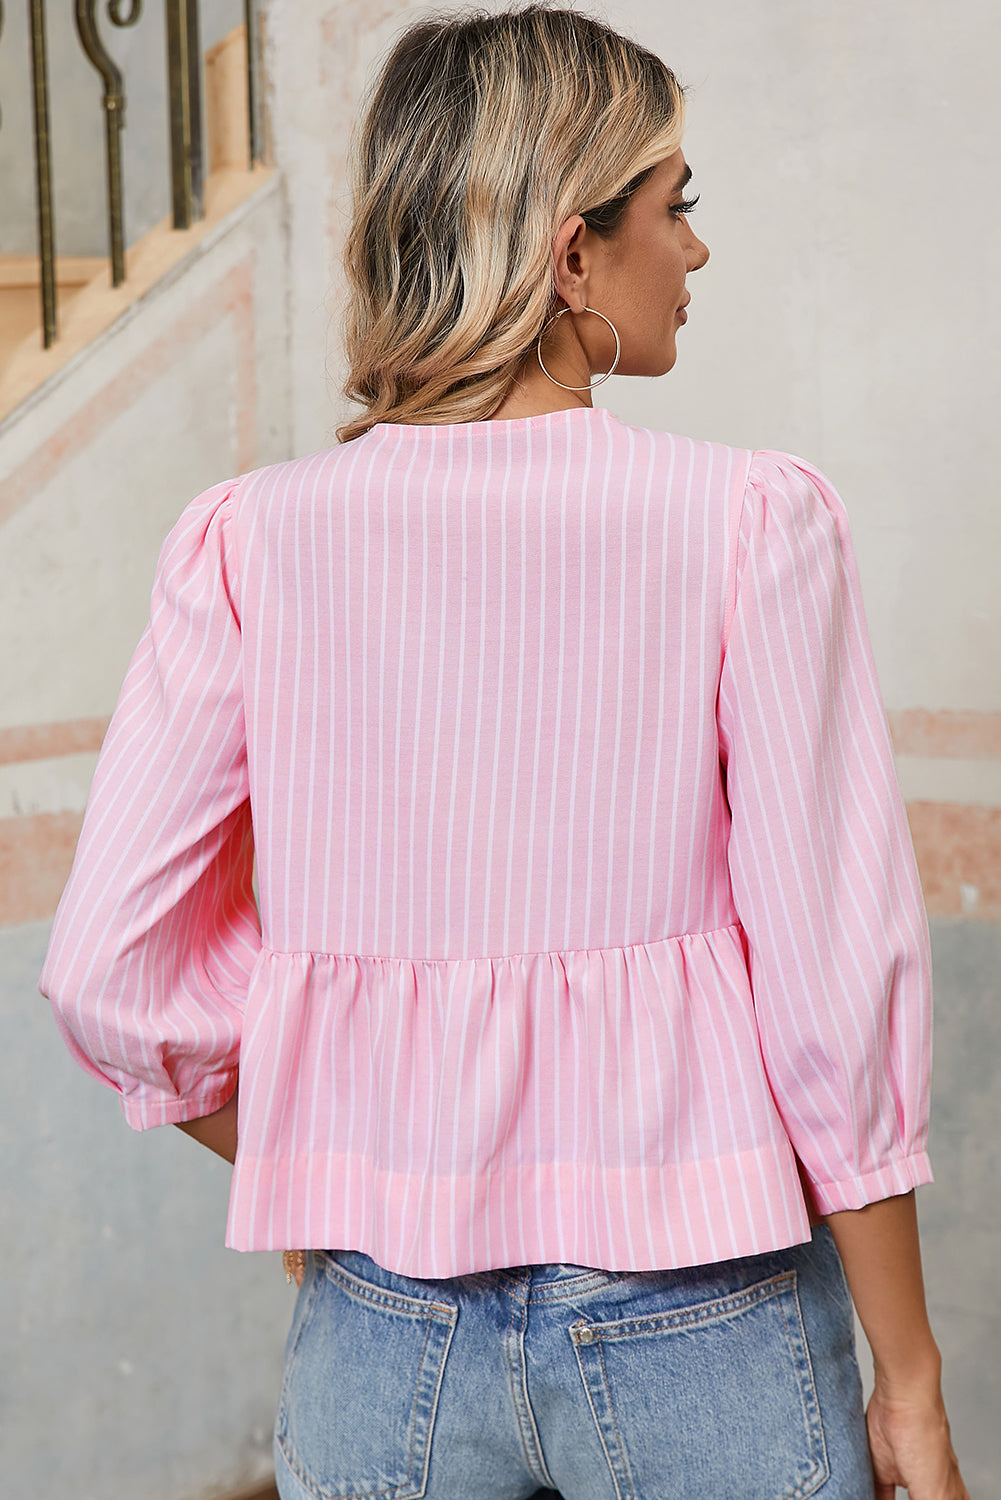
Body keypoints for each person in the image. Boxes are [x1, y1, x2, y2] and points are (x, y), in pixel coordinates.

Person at [39, 4, 969, 1498]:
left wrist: (334, 1159)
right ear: (569, 253)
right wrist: (911, 1384)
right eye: (676, 204)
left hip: (379, 1330)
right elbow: (831, 985)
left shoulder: (246, 544)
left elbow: (109, 974)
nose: (698, 249)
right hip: (702, 1315)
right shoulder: (745, 524)